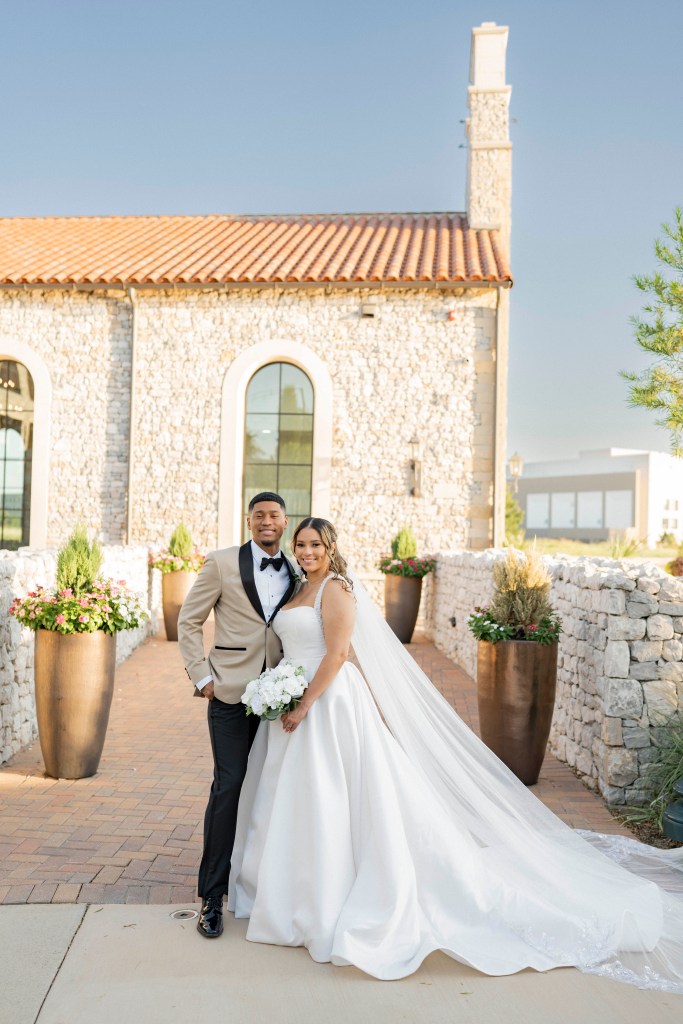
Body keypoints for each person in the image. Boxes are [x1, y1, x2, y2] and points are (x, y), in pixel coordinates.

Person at [228, 517, 683, 992]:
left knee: (331, 799)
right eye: (300, 544)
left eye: (314, 544)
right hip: (291, 707)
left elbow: (338, 653)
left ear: (330, 546)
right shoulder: (298, 589)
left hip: (326, 706)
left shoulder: (336, 590)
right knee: (295, 803)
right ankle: (291, 895)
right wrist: (277, 690)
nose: (305, 551)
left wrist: (303, 704)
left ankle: (324, 901)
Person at [177, 492, 299, 939]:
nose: (267, 522)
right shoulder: (222, 562)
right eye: (259, 515)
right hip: (229, 692)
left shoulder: (298, 568)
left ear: (285, 522)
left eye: (274, 515)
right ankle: (212, 897)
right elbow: (189, 620)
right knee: (229, 785)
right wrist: (200, 675)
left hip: (282, 696)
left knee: (275, 788)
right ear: (249, 521)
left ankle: (269, 885)